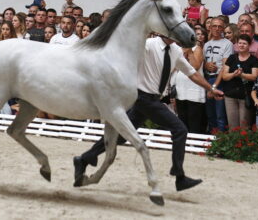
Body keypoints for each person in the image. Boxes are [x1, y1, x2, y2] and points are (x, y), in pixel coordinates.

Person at [73, 35, 224, 191]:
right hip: (143, 97)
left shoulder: (176, 50)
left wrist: (211, 88)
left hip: (152, 99)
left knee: (122, 135)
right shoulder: (148, 45)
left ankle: (84, 159)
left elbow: (192, 73)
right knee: (180, 129)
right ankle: (179, 176)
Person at [222, 34, 258, 129]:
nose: (241, 45)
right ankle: (234, 143)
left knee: (244, 124)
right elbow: (224, 76)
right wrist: (234, 74)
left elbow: (255, 76)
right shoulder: (231, 58)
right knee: (232, 124)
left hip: (245, 95)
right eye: (239, 43)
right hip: (230, 95)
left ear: (249, 45)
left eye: (244, 43)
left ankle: (244, 144)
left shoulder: (254, 60)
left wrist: (242, 75)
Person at [204, 17, 233, 132]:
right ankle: (211, 142)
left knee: (220, 115)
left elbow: (225, 67)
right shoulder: (206, 44)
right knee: (210, 115)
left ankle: (220, 143)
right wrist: (206, 65)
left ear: (223, 28)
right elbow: (203, 62)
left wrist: (214, 86)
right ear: (210, 27)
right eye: (214, 26)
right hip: (207, 80)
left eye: (219, 26)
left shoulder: (227, 44)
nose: (217, 28)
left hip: (219, 81)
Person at [175, 33, 207, 134]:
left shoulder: (197, 49)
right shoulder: (177, 49)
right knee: (182, 120)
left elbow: (195, 67)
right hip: (181, 89)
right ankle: (184, 143)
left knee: (194, 121)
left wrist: (189, 52)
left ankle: (194, 145)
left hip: (194, 89)